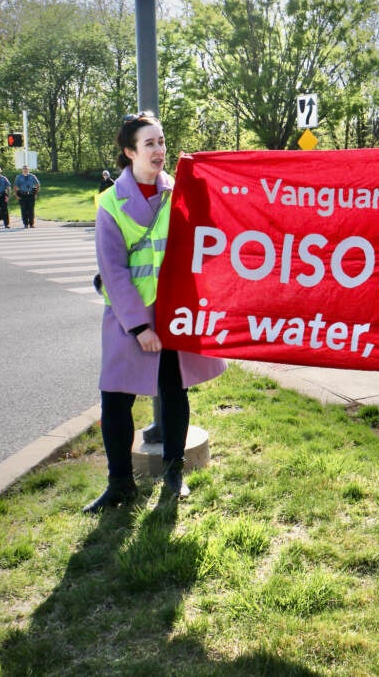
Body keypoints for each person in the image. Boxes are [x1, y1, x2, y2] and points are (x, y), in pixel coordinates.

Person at [84, 112, 226, 514]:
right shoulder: (110, 202)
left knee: (173, 392)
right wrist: (140, 326)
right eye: (149, 144)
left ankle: (173, 475)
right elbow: (112, 271)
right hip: (130, 320)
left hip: (173, 312)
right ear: (129, 152)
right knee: (114, 400)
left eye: (162, 142)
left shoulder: (179, 192)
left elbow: (208, 235)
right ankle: (119, 485)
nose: (159, 150)